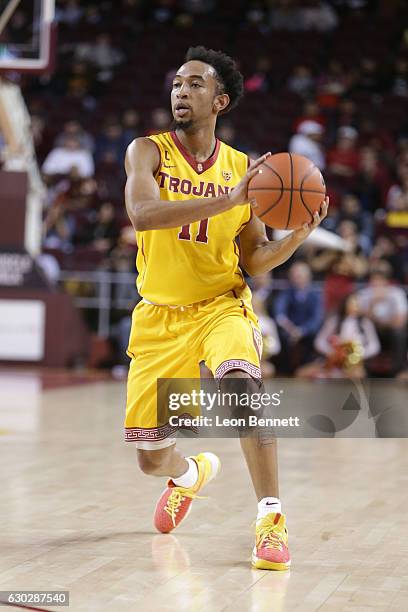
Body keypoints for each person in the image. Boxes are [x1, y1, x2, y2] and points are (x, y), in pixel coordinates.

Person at [124, 46, 328, 572]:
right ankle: (190, 474)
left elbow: (255, 261)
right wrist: (230, 198)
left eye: (194, 84)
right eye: (176, 84)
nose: (180, 92)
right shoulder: (146, 151)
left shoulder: (246, 169)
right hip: (159, 314)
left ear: (221, 100)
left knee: (243, 389)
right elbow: (144, 214)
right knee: (151, 460)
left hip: (221, 305)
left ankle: (271, 518)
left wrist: (298, 236)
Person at [296, 293, 380, 379]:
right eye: (351, 303)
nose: (354, 307)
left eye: (357, 304)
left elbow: (374, 346)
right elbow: (319, 341)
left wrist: (358, 354)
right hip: (333, 362)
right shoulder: (334, 321)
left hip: (354, 365)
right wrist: (331, 352)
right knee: (302, 373)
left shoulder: (365, 323)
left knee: (356, 376)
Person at [274, 261, 323, 373]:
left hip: (307, 335)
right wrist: (291, 330)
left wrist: (301, 331)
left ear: (308, 277)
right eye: (294, 276)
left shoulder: (315, 296)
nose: (297, 279)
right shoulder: (286, 294)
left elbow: (316, 320)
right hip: (288, 334)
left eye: (300, 276)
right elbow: (280, 315)